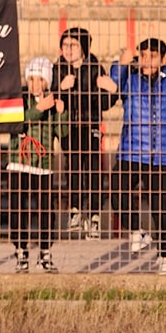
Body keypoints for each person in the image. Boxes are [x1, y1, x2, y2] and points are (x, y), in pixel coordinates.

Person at [109, 38, 166, 274]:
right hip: (133, 149)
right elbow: (110, 91)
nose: (146, 60)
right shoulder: (130, 74)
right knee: (117, 188)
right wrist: (121, 63)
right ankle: (137, 231)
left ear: (162, 59)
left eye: (152, 56)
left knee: (165, 207)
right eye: (143, 55)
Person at [51, 27, 117, 241]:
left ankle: (95, 215)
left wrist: (109, 90)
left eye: (73, 45)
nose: (68, 50)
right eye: (65, 45)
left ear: (84, 47)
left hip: (91, 124)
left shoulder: (95, 67)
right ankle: (76, 209)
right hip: (69, 125)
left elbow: (106, 104)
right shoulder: (58, 68)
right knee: (74, 165)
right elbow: (52, 98)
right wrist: (61, 88)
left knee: (93, 168)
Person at [8, 58, 65, 273]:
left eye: (39, 79)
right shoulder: (19, 99)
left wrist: (61, 113)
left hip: (44, 164)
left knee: (45, 211)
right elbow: (15, 123)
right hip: (18, 163)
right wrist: (38, 109)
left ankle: (45, 252)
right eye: (31, 78)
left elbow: (62, 133)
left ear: (47, 81)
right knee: (18, 210)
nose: (34, 84)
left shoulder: (52, 102)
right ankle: (21, 251)